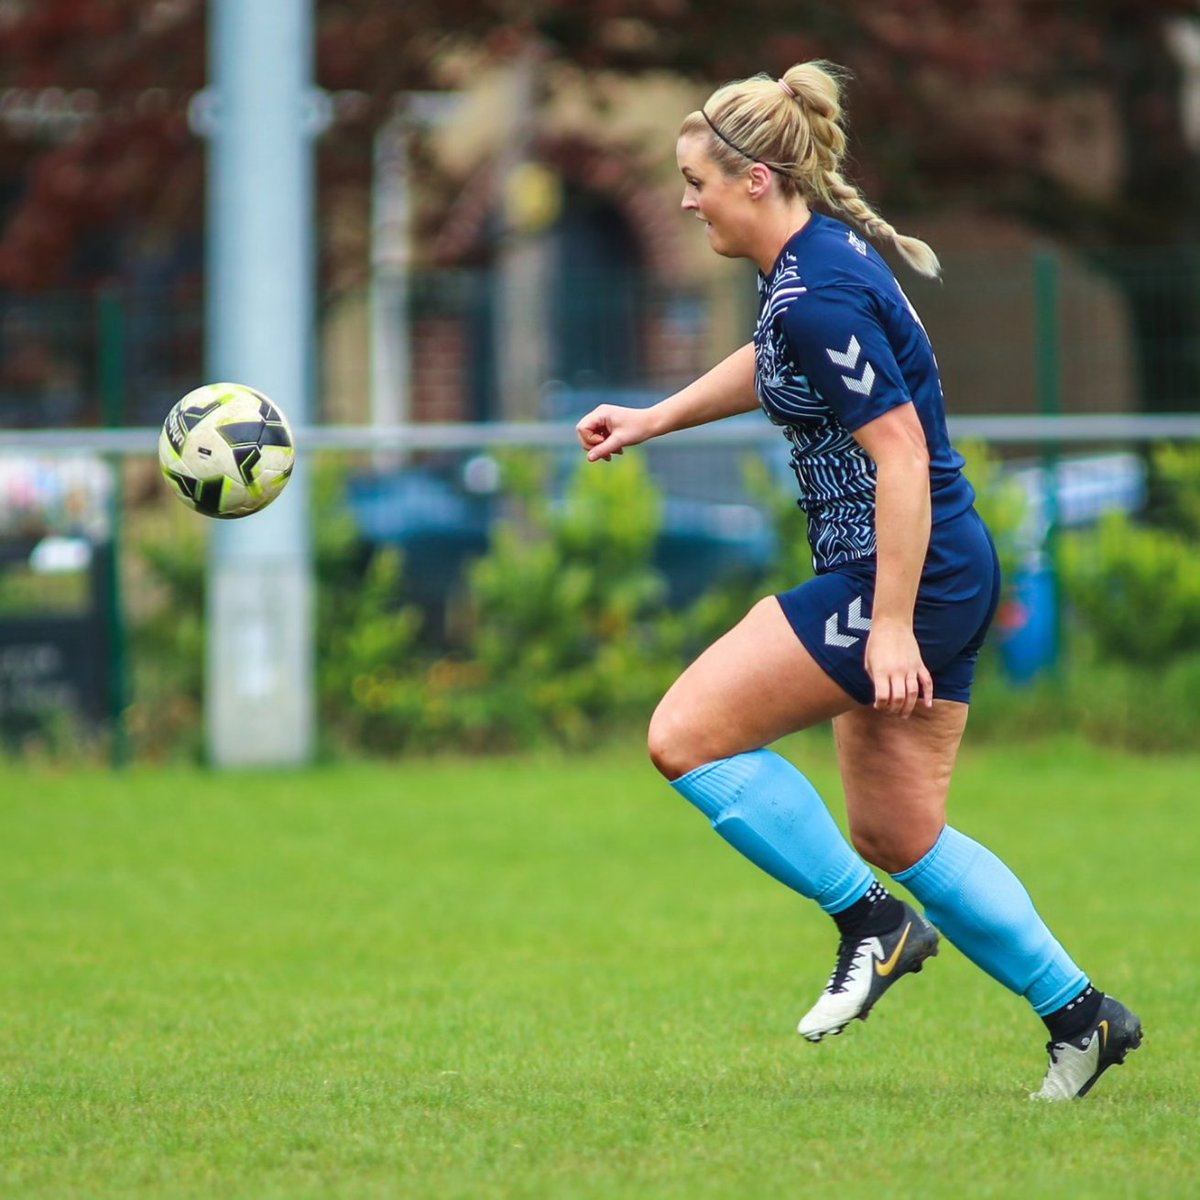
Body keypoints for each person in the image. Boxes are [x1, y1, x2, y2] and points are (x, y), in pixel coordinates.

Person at [575, 61, 1142, 1101]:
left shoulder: (821, 286)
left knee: (685, 736)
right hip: (933, 567)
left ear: (754, 179)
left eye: (696, 177)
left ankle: (871, 923)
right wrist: (653, 417)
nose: (684, 197)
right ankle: (1083, 1016)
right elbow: (773, 360)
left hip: (907, 580)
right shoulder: (803, 271)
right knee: (898, 831)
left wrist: (886, 628)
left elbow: (901, 460)